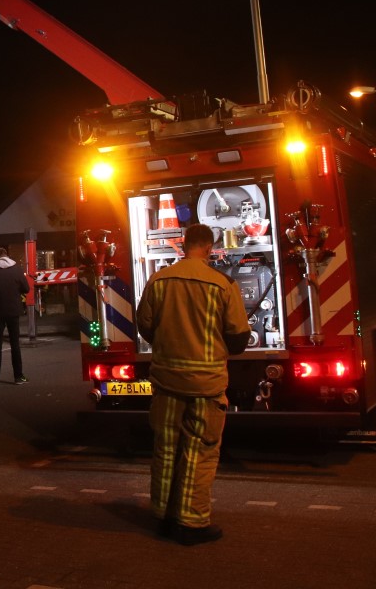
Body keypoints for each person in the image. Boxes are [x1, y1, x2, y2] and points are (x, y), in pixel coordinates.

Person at [135, 223, 250, 545]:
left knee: (166, 450)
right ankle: (192, 523)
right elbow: (239, 339)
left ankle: (162, 516)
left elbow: (145, 326)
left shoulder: (158, 280)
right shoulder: (223, 284)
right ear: (210, 248)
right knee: (200, 452)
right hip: (207, 387)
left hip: (167, 383)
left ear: (183, 245)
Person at [0, 247, 30, 385]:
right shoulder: (16, 269)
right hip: (13, 311)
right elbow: (26, 288)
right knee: (15, 344)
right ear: (7, 256)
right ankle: (18, 376)